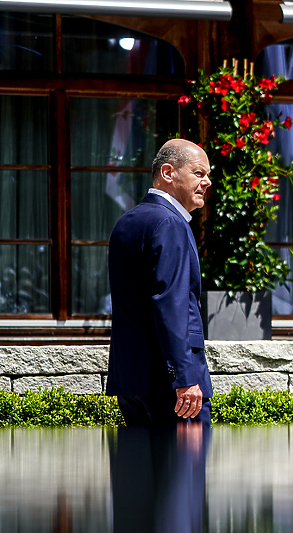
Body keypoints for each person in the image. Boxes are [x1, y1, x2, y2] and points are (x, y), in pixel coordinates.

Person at [107, 139, 213, 428]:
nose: (208, 182)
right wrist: (185, 378)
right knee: (184, 471)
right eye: (199, 173)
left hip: (132, 381)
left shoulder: (127, 222)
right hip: (174, 390)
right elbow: (171, 303)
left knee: (140, 472)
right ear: (168, 172)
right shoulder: (170, 223)